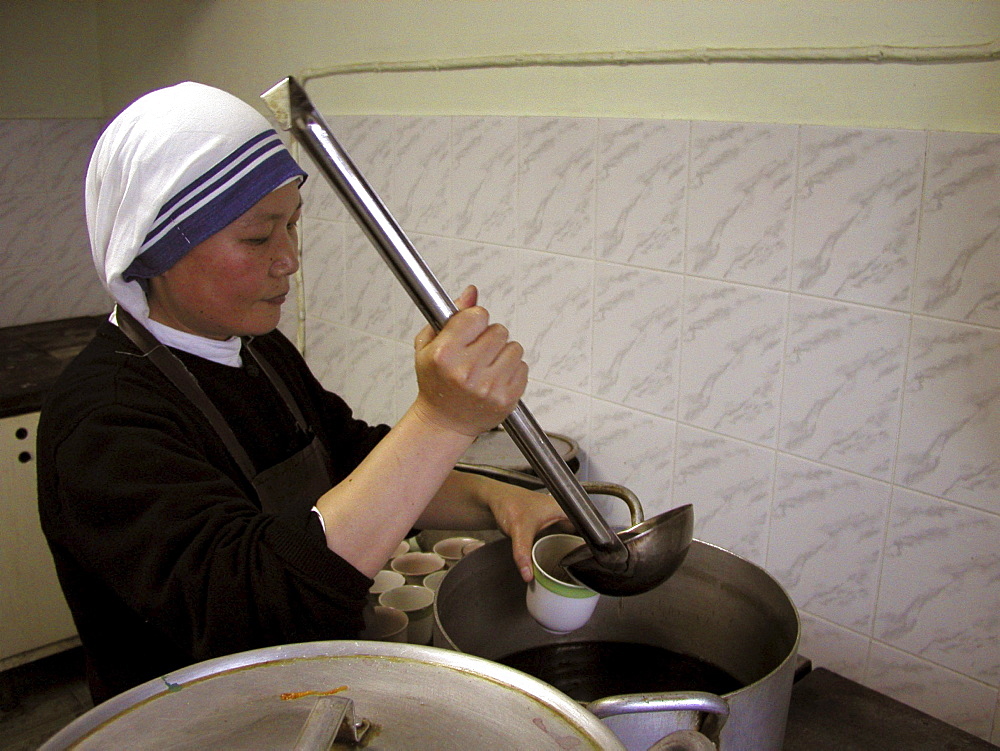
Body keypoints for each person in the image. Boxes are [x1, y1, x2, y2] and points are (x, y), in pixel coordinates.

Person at [36, 81, 568, 704]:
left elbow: (351, 462)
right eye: (259, 237)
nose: (289, 259)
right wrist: (441, 420)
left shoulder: (256, 348)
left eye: (292, 225)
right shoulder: (102, 420)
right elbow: (259, 615)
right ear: (156, 248)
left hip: (303, 705)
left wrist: (499, 501)